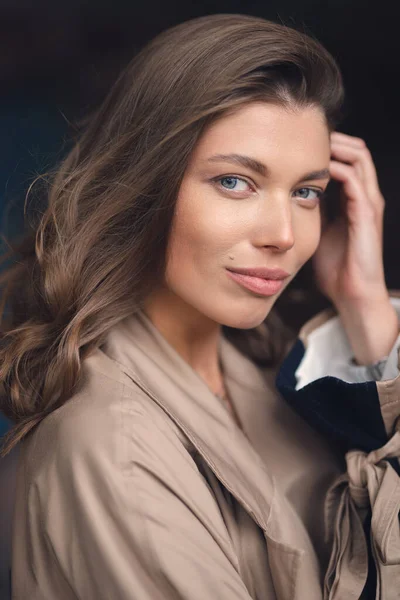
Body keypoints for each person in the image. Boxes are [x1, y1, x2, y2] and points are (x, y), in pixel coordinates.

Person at [0, 13, 399, 600]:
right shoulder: (114, 452)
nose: (283, 234)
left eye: (306, 192)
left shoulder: (270, 365)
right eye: (236, 182)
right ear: (145, 182)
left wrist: (367, 308)